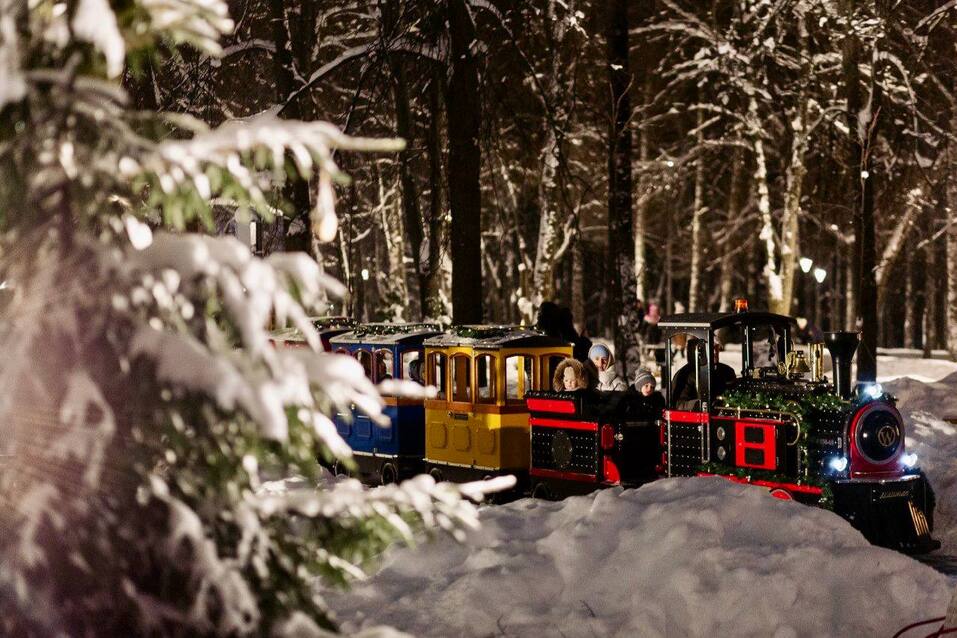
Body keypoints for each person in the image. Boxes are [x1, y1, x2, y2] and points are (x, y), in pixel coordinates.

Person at [671, 338, 736, 408]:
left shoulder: (727, 371)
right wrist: (701, 403)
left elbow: (734, 395)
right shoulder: (685, 375)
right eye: (710, 348)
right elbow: (679, 405)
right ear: (699, 351)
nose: (714, 352)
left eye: (716, 347)